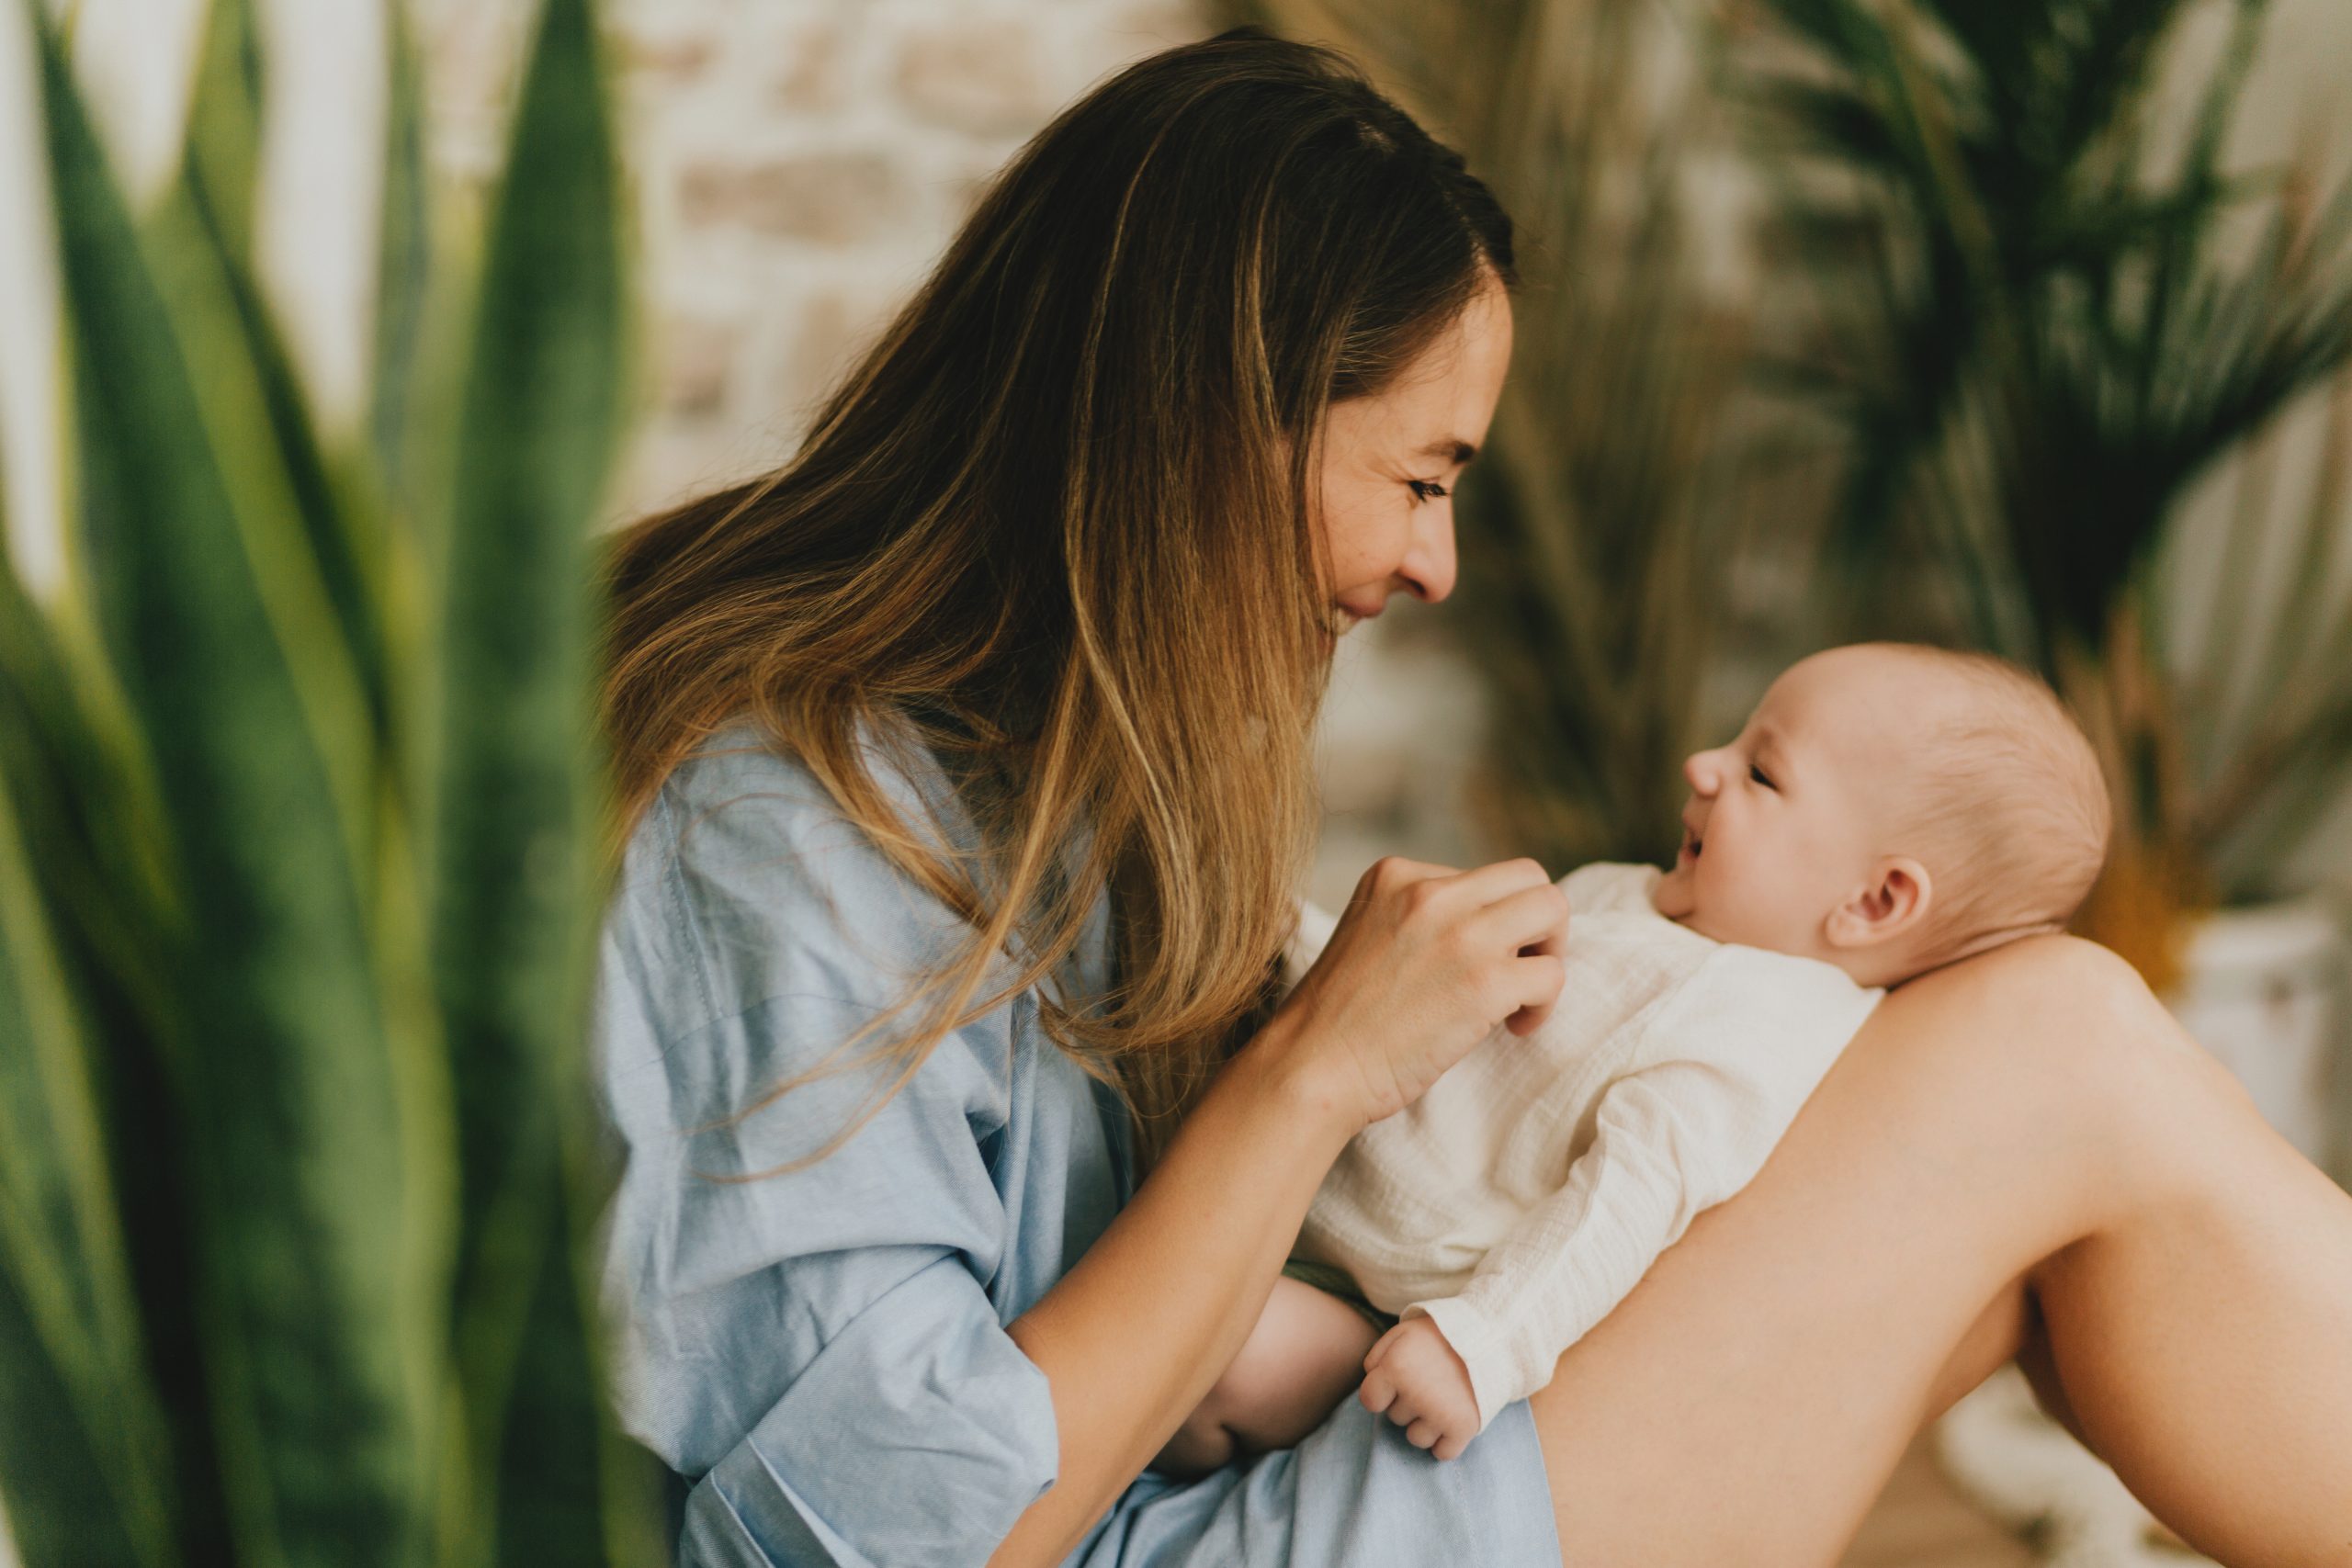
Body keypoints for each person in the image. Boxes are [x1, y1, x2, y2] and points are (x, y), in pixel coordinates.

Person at [590, 28, 2352, 1568]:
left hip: (1241, 1479)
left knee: (2025, 1108)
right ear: (1223, 425)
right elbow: (877, 1542)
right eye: (1422, 476)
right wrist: (1317, 1070)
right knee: (2053, 1050)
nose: (1434, 562)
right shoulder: (782, 825)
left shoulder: (1030, 761)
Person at [1160, 644, 2114, 1470]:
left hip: (1399, 1310)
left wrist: (1477, 1346)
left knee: (1219, 1363)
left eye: (1762, 774)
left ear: (1872, 903)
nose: (1704, 765)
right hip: (1317, 1184)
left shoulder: (1759, 1027)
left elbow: (1620, 1205)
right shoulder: (1643, 896)